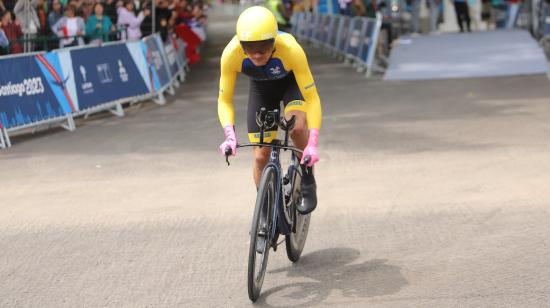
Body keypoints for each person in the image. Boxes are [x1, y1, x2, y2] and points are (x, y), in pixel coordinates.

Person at [217, 6, 322, 214]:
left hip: (291, 86)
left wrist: (313, 143)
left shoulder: (291, 49)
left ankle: (307, 177)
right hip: (261, 90)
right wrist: (229, 135)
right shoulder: (231, 54)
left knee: (297, 129)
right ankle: (264, 210)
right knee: (260, 156)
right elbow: (224, 99)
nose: (256, 54)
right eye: (249, 48)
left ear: (274, 42)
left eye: (263, 48)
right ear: (241, 45)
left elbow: (312, 98)